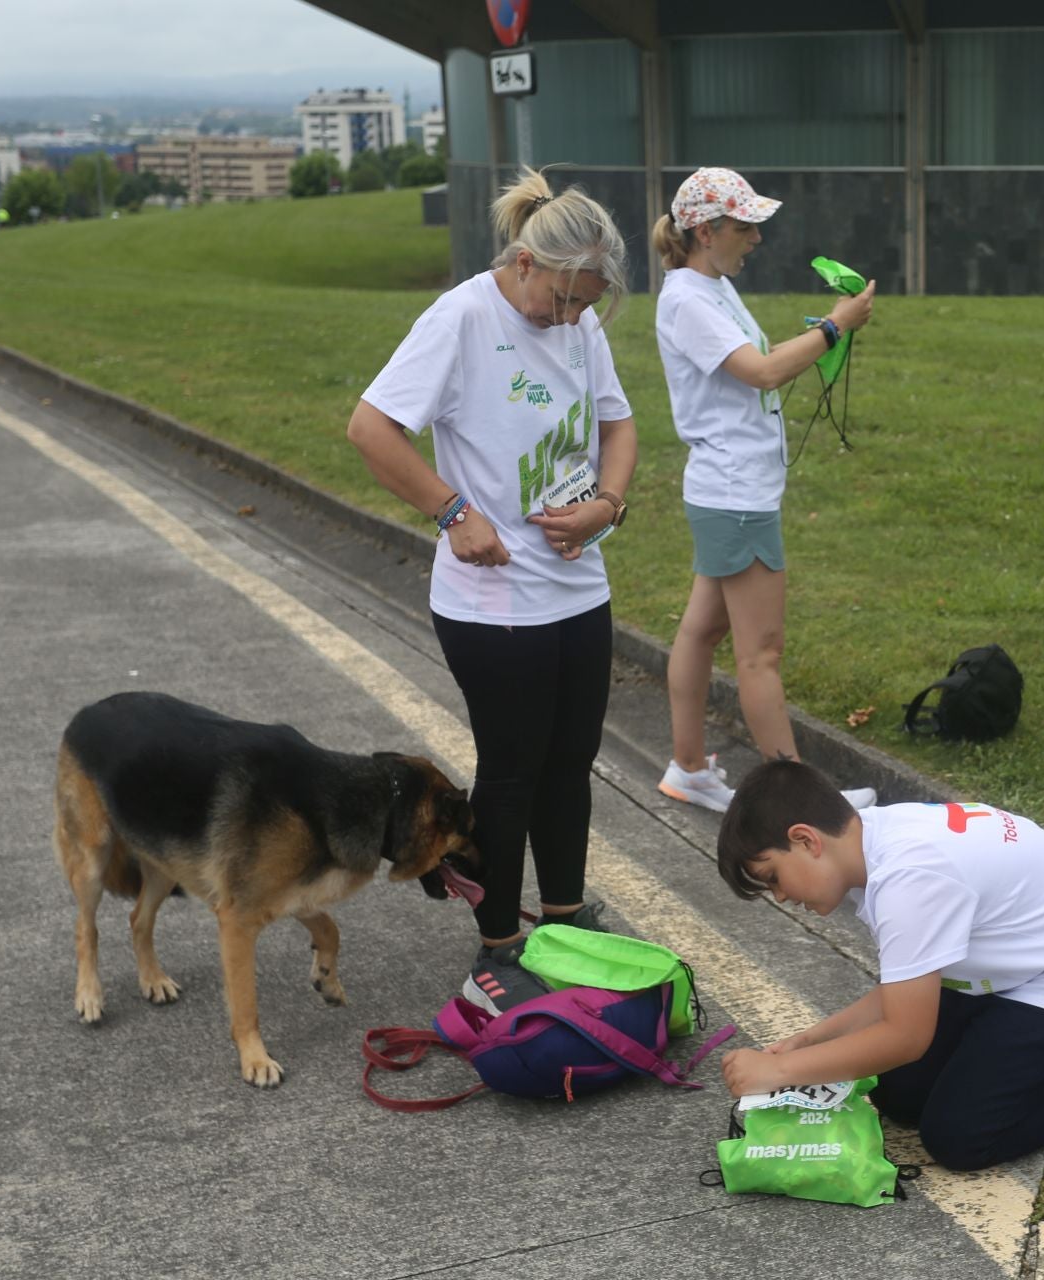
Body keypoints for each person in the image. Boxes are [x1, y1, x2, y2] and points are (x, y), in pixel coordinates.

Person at [347, 168, 635, 1015]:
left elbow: (616, 424)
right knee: (514, 770)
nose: (571, 317)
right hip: (494, 602)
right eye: (562, 299)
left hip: (579, 585)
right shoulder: (464, 317)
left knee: (571, 764)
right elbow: (372, 428)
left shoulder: (581, 325)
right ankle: (500, 944)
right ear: (523, 262)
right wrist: (452, 510)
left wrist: (606, 504)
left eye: (587, 303)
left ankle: (565, 916)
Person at [714, 760, 1044, 1172]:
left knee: (961, 1137)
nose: (780, 896)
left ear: (805, 839)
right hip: (1025, 965)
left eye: (773, 878)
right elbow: (905, 988)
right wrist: (809, 1041)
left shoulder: (908, 879)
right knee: (898, 1094)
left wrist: (780, 1073)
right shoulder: (876, 837)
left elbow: (906, 1035)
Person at [648, 167, 880, 814]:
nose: (755, 238)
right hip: (735, 493)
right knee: (762, 655)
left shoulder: (709, 286)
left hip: (728, 489)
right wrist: (833, 328)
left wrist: (813, 339)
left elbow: (760, 359)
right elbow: (761, 372)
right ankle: (802, 802)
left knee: (701, 631)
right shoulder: (690, 299)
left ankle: (689, 766)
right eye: (744, 226)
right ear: (705, 230)